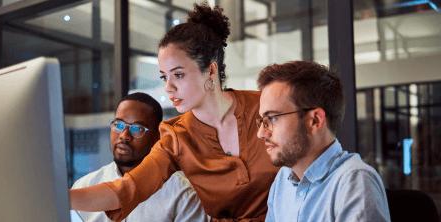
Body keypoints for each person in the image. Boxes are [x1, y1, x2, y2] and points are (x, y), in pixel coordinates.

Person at [70, 3, 278, 221]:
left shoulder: (264, 107)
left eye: (178, 75)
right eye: (164, 77)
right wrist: (60, 196)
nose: (168, 87)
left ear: (211, 70)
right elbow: (127, 189)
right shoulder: (176, 137)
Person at [256, 61, 390, 221]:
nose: (261, 133)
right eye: (262, 120)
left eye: (272, 118)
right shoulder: (283, 180)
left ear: (315, 120)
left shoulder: (355, 182)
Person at [72, 92, 206, 222]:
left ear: (157, 137)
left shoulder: (183, 193)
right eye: (118, 125)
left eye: (137, 128)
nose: (124, 135)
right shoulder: (84, 186)